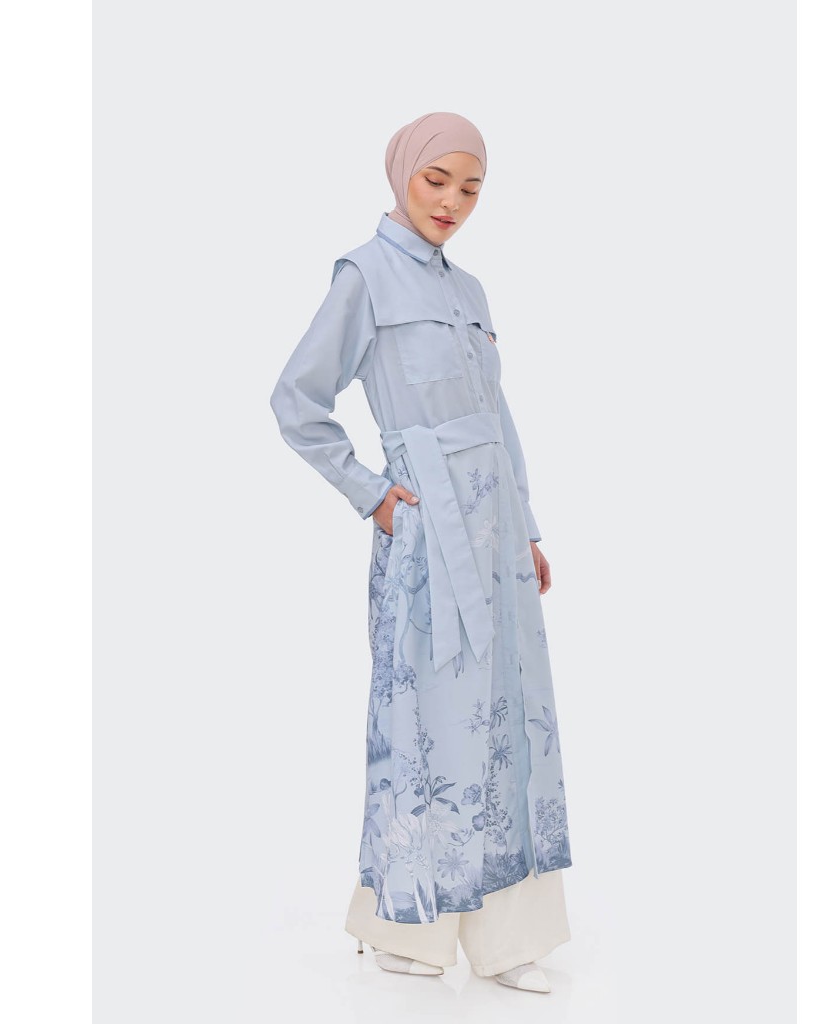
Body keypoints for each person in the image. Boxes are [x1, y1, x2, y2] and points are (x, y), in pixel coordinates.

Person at [270, 112, 572, 993]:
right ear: (402, 172)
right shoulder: (363, 277)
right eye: (436, 180)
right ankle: (405, 930)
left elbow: (497, 418)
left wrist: (526, 528)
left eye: (471, 188)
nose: (452, 202)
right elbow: (297, 400)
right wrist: (370, 493)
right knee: (427, 724)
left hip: (495, 536)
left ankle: (508, 939)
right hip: (426, 532)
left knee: (505, 722)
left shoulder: (470, 291)